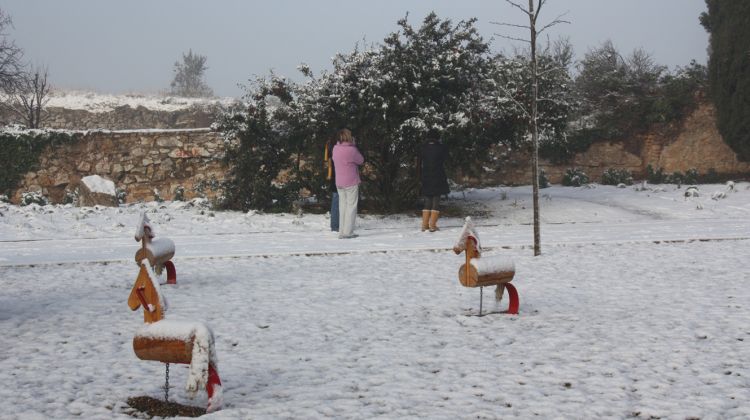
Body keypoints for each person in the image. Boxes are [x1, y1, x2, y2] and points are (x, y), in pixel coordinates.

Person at [332, 128, 364, 239]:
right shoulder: (352, 150)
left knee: (343, 206)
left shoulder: (335, 148)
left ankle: (342, 231)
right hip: (351, 182)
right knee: (351, 207)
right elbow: (361, 160)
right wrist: (354, 146)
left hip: (339, 182)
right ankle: (348, 232)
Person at [420, 129, 449, 232]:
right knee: (436, 199)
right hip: (438, 175)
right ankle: (432, 225)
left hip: (426, 175)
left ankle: (424, 225)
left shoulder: (423, 148)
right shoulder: (442, 148)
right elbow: (446, 159)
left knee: (427, 198)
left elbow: (419, 161)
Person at [324, 137, 339, 232]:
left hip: (334, 178)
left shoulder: (330, 146)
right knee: (338, 202)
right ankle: (337, 225)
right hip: (340, 178)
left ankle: (335, 225)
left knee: (336, 202)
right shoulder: (338, 148)